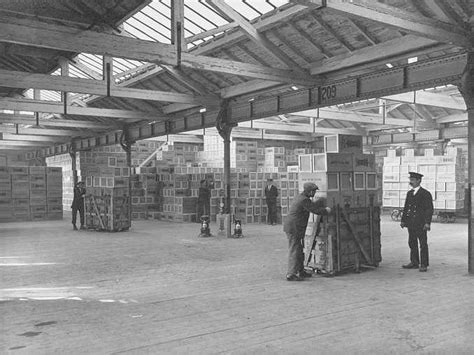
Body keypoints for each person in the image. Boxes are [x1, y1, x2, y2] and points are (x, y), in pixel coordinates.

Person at [283, 182, 331, 281]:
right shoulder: (304, 200)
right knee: (295, 249)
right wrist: (326, 210)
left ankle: (301, 271)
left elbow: (312, 205)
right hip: (294, 228)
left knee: (299, 249)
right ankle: (291, 274)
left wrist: (319, 202)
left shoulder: (301, 197)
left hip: (293, 227)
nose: (314, 193)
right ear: (309, 191)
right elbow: (314, 209)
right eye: (313, 191)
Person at [400, 172, 434, 272]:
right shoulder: (409, 193)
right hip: (411, 223)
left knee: (423, 244)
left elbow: (429, 209)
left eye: (413, 180)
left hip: (421, 223)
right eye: (410, 180)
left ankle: (424, 264)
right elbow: (406, 208)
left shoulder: (425, 194)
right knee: (412, 242)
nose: (411, 182)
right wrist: (403, 220)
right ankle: (414, 262)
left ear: (419, 181)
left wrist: (427, 223)